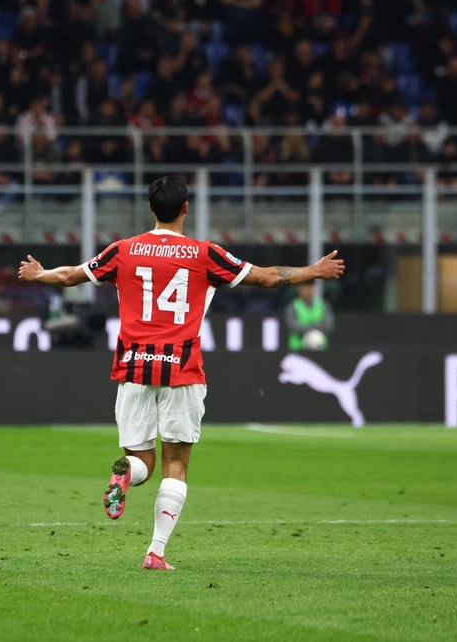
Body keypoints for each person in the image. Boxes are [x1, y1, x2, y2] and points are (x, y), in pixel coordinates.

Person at [18, 175, 345, 570]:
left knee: (143, 462)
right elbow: (268, 277)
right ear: (186, 209)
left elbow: (71, 275)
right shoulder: (204, 254)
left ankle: (126, 475)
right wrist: (315, 269)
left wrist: (40, 274)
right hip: (183, 369)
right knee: (176, 463)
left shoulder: (123, 250)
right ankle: (155, 552)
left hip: (134, 367)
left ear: (151, 208)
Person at [286, 282, 334, 351]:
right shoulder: (292, 306)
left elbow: (328, 326)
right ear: (299, 288)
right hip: (298, 350)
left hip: (320, 348)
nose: (307, 290)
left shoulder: (323, 305)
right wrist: (315, 326)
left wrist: (308, 327)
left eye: (310, 286)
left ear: (314, 288)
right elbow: (293, 326)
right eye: (304, 286)